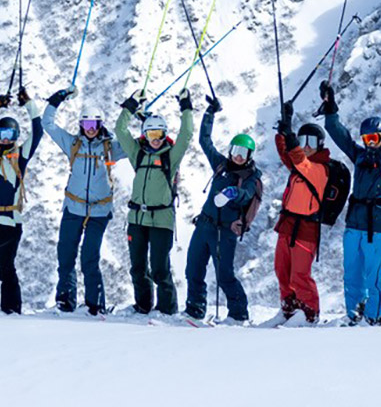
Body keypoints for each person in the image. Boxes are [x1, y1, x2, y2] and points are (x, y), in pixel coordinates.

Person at [321, 81, 381, 326]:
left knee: (373, 276)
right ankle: (354, 313)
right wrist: (330, 110)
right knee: (352, 274)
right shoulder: (360, 157)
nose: (370, 143)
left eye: (374, 138)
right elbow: (339, 135)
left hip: (379, 226)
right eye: (366, 138)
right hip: (354, 224)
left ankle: (375, 317)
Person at [42, 86, 124, 315]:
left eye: (94, 125)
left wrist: (138, 116)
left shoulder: (110, 148)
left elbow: (134, 146)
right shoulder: (72, 144)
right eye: (86, 125)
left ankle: (95, 305)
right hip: (73, 207)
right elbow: (47, 125)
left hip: (99, 211)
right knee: (66, 254)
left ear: (100, 125)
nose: (90, 129)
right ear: (81, 125)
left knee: (89, 256)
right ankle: (65, 301)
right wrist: (55, 101)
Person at [115, 90, 194, 315]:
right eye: (150, 134)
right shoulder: (137, 154)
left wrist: (186, 107)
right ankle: (143, 307)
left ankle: (167, 310)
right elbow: (120, 131)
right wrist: (130, 106)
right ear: (144, 135)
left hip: (161, 220)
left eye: (159, 134)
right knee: (138, 268)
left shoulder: (171, 155)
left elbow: (186, 135)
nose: (155, 139)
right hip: (137, 219)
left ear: (165, 134)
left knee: (160, 268)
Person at [184, 95, 262, 323]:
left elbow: (246, 194)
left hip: (225, 231)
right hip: (205, 225)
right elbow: (204, 141)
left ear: (249, 156)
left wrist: (231, 194)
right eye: (236, 150)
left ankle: (238, 314)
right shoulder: (221, 165)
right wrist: (210, 113)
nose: (238, 155)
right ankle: (195, 309)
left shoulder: (250, 176)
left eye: (243, 153)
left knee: (224, 275)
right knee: (193, 269)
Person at [0, 89, 45, 314]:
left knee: (6, 268)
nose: (5, 138)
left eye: (10, 134)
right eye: (2, 133)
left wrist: (29, 104)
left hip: (9, 222)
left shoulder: (20, 155)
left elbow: (38, 131)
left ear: (16, 137)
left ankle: (11, 310)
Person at [272, 101, 331, 324]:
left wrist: (292, 136)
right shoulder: (300, 164)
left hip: (307, 228)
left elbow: (299, 160)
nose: (306, 146)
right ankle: (288, 309)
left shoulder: (321, 168)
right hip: (287, 224)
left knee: (300, 274)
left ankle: (309, 313)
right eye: (303, 140)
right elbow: (287, 154)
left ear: (321, 144)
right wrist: (283, 130)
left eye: (312, 141)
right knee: (282, 270)